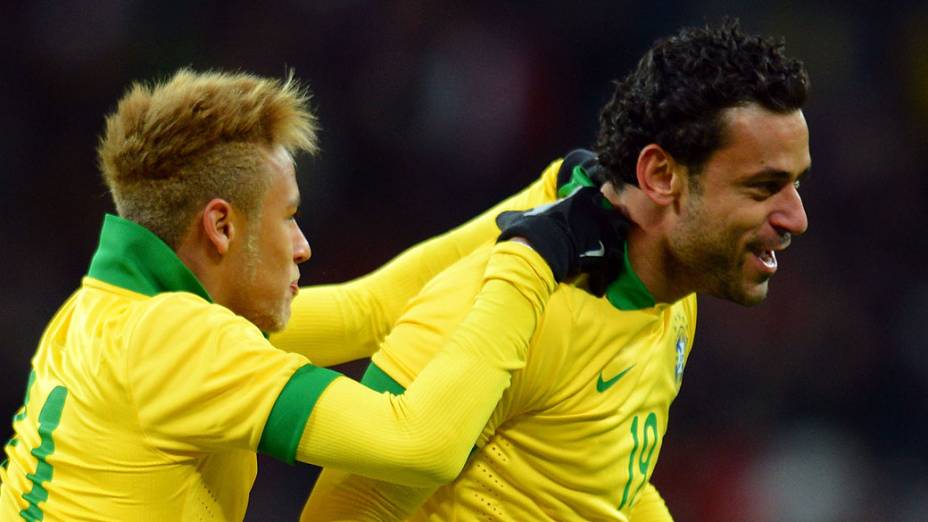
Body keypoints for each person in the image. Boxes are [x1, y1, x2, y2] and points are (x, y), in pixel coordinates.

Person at [0, 69, 630, 521]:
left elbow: (372, 310)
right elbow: (420, 445)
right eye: (289, 217)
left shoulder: (103, 312)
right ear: (221, 227)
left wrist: (542, 198)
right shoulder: (181, 343)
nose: (303, 246)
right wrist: (532, 262)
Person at [295, 19, 811, 521]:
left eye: (796, 184)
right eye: (762, 187)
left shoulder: (674, 293)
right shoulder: (502, 312)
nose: (797, 218)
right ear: (660, 176)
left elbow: (604, 480)